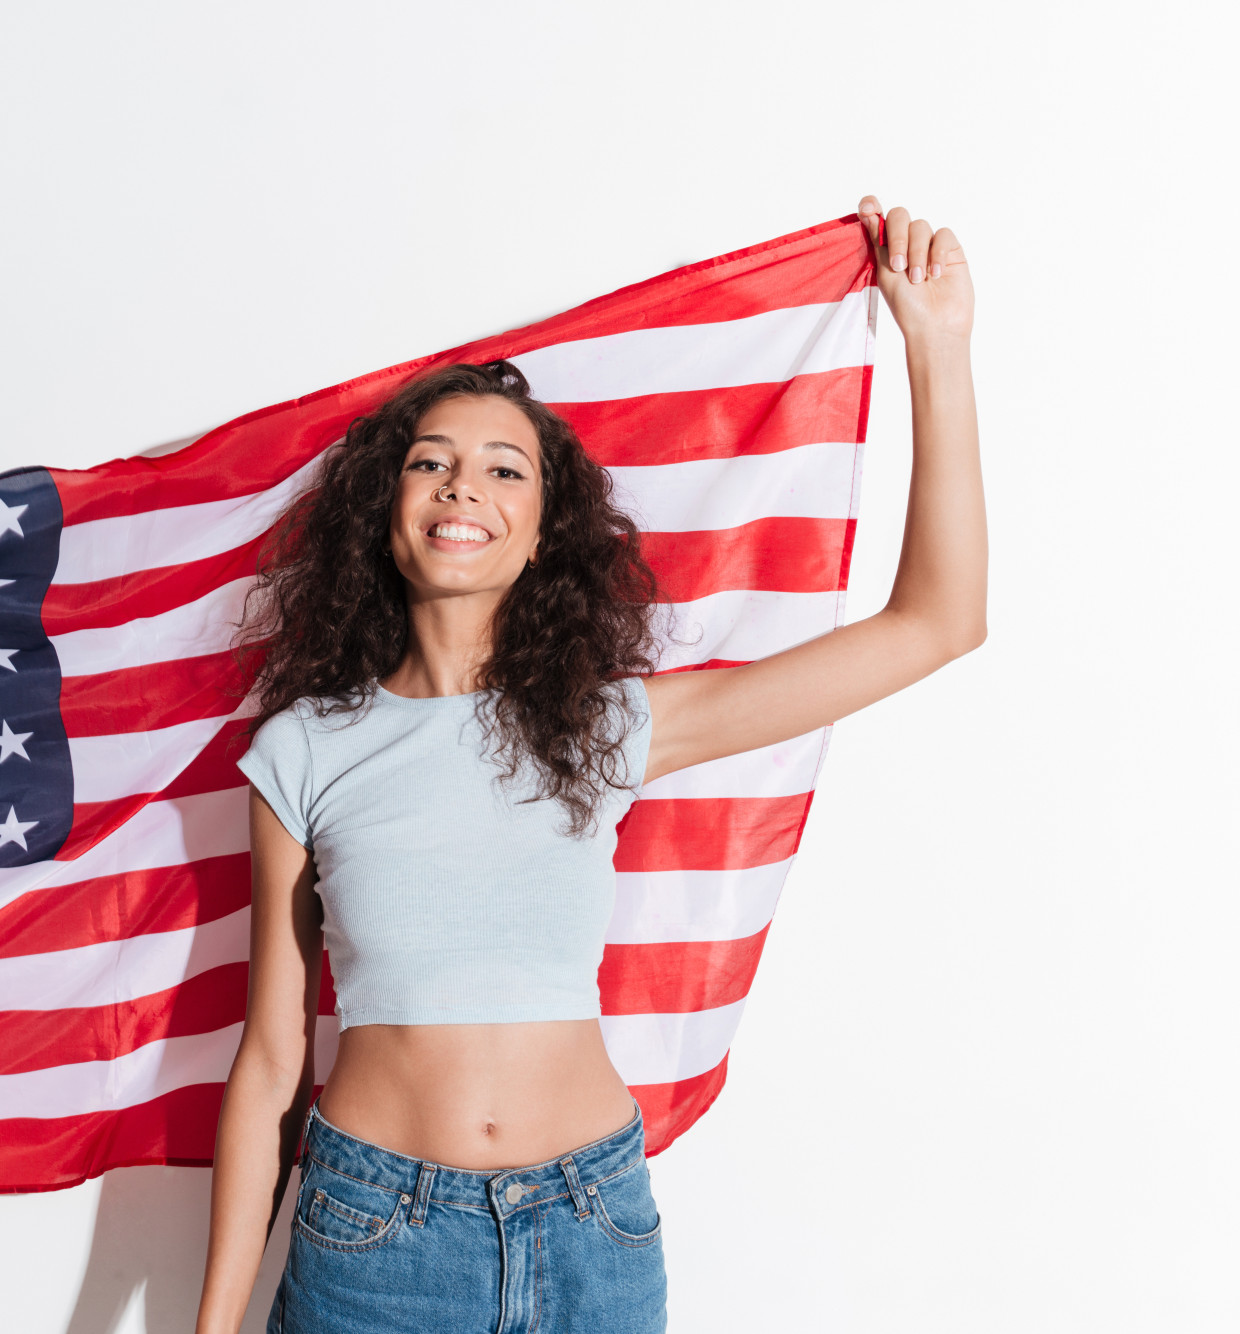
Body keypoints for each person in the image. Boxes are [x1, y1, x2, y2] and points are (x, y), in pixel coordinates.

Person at [192, 197, 983, 1334]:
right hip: (375, 1239)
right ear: (385, 510)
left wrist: (935, 349)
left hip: (591, 1231)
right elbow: (269, 1063)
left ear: (540, 530)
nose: (466, 486)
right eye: (433, 462)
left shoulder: (604, 724)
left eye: (505, 471)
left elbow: (934, 623)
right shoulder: (303, 747)